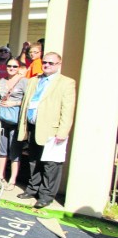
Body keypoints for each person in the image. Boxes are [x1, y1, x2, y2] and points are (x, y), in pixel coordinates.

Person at [16, 52, 76, 208]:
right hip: (33, 126)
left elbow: (67, 110)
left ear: (58, 64)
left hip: (52, 130)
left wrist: (63, 132)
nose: (47, 65)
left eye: (51, 63)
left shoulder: (66, 83)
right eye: (45, 62)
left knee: (51, 164)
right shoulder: (34, 80)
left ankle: (46, 195)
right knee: (33, 160)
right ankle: (32, 189)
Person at [0, 58, 27, 191]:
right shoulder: (2, 81)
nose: (11, 68)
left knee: (14, 151)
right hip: (2, 119)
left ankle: (12, 179)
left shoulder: (24, 82)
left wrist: (14, 103)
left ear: (19, 68)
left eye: (15, 66)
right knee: (2, 150)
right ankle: (0, 175)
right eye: (9, 66)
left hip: (16, 120)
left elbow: (28, 101)